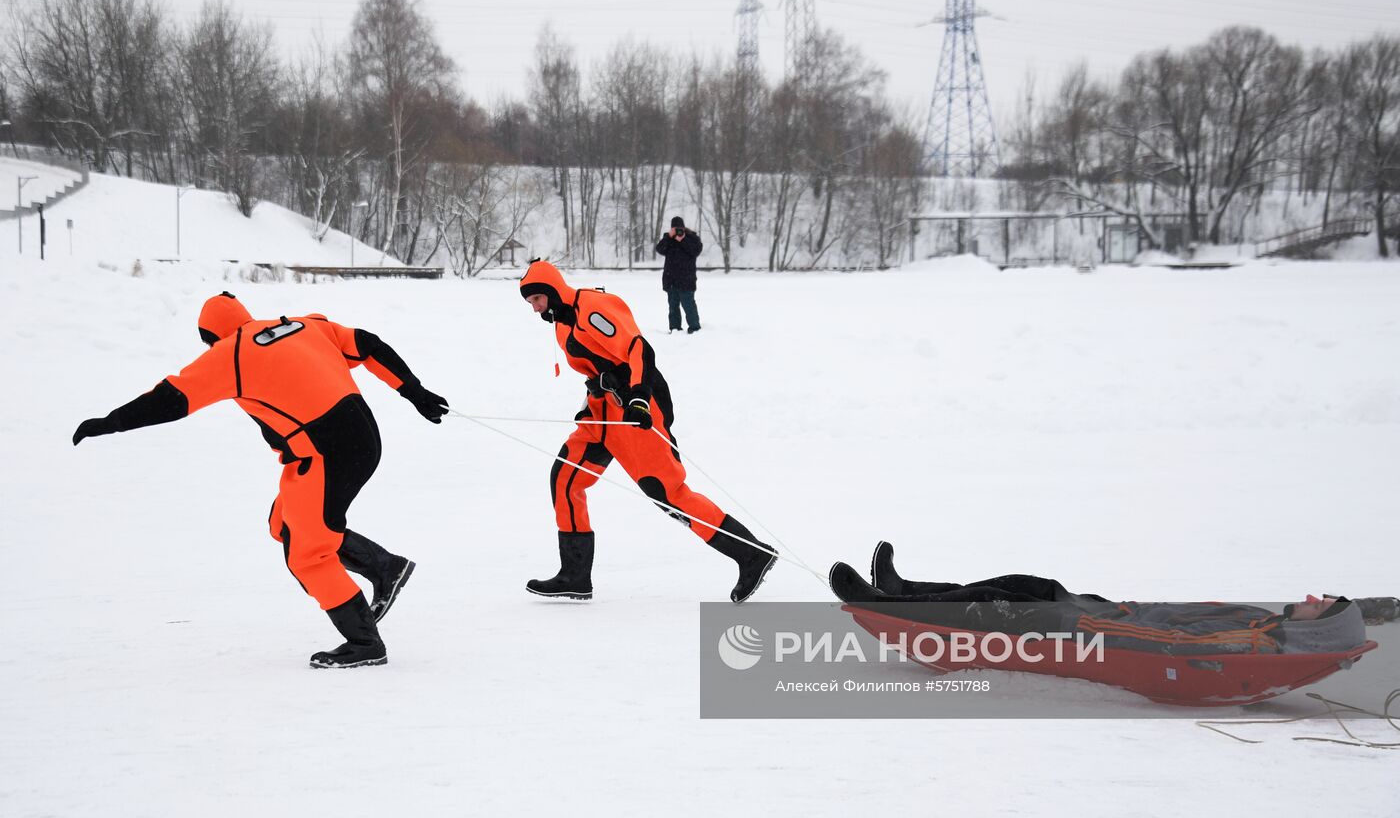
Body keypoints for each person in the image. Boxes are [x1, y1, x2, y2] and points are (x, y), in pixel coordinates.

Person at [71, 292, 448, 669]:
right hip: (359, 439)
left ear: (210, 337)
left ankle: (365, 641)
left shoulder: (230, 353)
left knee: (306, 553)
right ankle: (385, 567)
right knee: (284, 523)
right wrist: (414, 392)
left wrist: (110, 422)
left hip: (327, 453)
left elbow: (171, 398)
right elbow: (367, 344)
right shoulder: (304, 324)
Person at [518, 259, 775, 602]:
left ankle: (752, 554)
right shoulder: (561, 324)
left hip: (636, 409)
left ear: (551, 291)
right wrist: (589, 401)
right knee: (566, 478)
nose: (534, 309)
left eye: (537, 299)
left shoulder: (591, 308)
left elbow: (639, 349)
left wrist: (638, 396)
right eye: (530, 302)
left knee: (668, 494)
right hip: (601, 414)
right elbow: (596, 367)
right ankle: (575, 575)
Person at [829, 541, 1380, 655]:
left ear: (1320, 625)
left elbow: (1174, 643)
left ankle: (887, 604)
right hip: (1101, 609)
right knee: (1019, 584)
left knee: (994, 603)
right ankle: (905, 592)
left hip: (1094, 629)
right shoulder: (1262, 622)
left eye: (1321, 601)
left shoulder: (1258, 640)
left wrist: (1093, 628)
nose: (1309, 597)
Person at [655, 215, 702, 334]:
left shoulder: (692, 238)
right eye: (675, 229)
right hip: (671, 279)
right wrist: (669, 237)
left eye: (679, 228)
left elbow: (695, 251)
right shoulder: (668, 239)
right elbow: (659, 249)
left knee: (689, 305)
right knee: (673, 306)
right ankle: (675, 328)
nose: (678, 231)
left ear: (684, 228)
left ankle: (695, 328)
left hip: (686, 279)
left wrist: (683, 240)